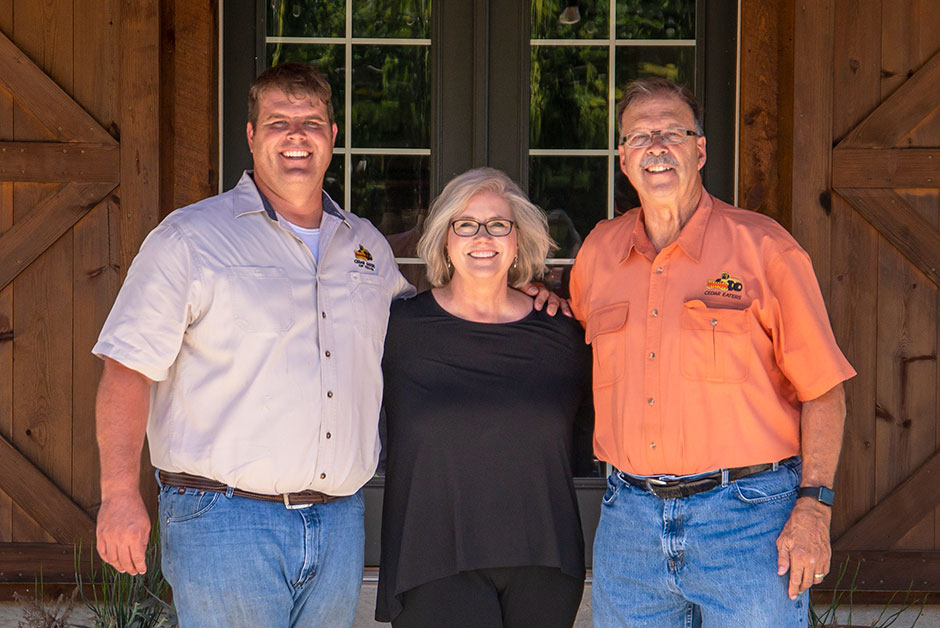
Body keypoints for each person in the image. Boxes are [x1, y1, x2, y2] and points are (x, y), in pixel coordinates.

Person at [91, 62, 415, 627]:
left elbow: (428, 329)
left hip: (339, 525)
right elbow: (126, 370)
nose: (296, 135)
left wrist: (519, 292)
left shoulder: (365, 246)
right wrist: (119, 493)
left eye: (312, 121)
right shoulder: (189, 238)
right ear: (250, 134)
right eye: (277, 122)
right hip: (224, 521)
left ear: (333, 137)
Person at [568, 77, 856, 627]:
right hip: (629, 522)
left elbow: (824, 390)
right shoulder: (598, 253)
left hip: (750, 523)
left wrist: (814, 508)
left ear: (700, 150)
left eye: (672, 132)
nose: (656, 147)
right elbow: (570, 340)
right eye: (639, 137)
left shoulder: (765, 248)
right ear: (623, 160)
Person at [376, 168, 593, 628]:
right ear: (444, 240)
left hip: (545, 562)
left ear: (519, 240)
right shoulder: (396, 331)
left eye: (498, 224)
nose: (483, 237)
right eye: (466, 224)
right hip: (431, 561)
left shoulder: (563, 335)